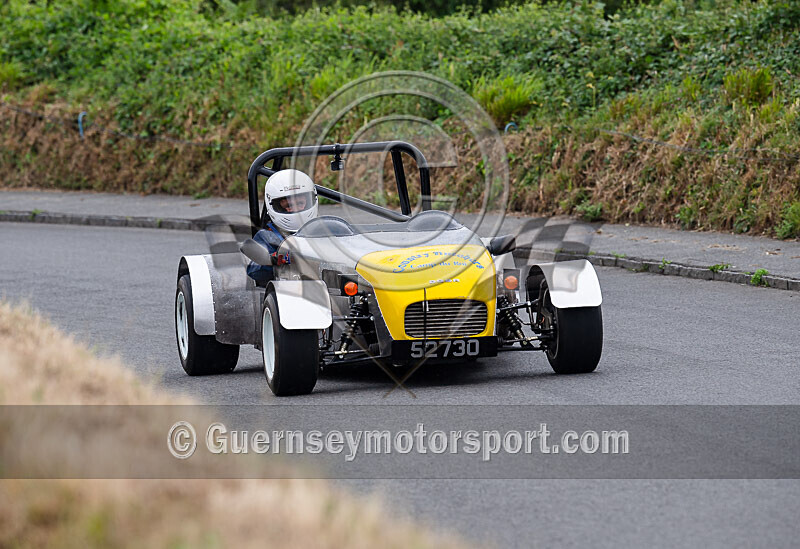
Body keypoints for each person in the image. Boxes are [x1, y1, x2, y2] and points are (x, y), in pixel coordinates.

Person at [246, 169, 318, 283]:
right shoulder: (266, 237)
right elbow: (254, 271)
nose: (295, 208)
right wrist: (272, 260)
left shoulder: (322, 229)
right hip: (286, 291)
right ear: (274, 205)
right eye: (288, 205)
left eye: (300, 203)